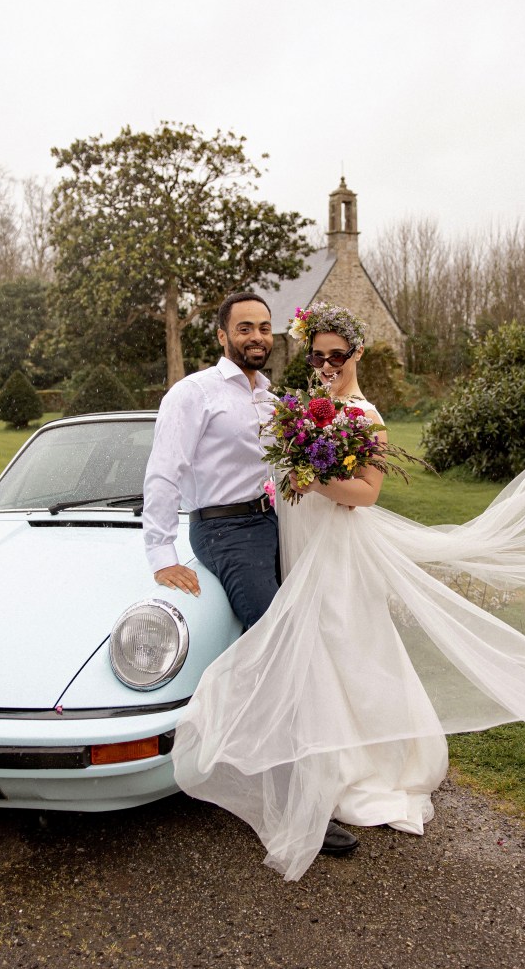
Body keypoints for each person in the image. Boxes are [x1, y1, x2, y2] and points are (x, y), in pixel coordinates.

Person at [172, 301, 525, 882]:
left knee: (346, 648)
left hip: (337, 550)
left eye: (336, 356)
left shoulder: (364, 416)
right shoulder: (307, 409)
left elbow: (366, 494)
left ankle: (362, 768)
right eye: (317, 355)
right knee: (316, 651)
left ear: (356, 354)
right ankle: (322, 760)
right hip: (299, 541)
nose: (325, 365)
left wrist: (311, 476)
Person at [142, 291, 359, 857]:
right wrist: (161, 553)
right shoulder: (193, 394)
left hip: (274, 527)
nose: (257, 336)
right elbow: (165, 472)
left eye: (264, 327)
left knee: (310, 644)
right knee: (278, 653)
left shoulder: (272, 398)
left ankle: (309, 770)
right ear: (221, 336)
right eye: (244, 327)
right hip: (225, 532)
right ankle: (294, 806)